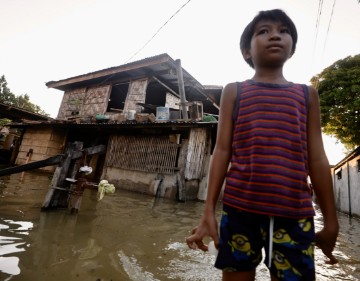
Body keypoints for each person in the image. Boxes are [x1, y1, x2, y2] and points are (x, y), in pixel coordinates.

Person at [186, 9, 339, 281]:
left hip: (295, 214)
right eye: (264, 31)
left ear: (292, 48)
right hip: (239, 210)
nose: (275, 36)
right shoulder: (234, 91)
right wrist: (208, 209)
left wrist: (331, 221)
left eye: (284, 31)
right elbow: (222, 150)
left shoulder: (307, 95)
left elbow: (317, 158)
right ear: (247, 50)